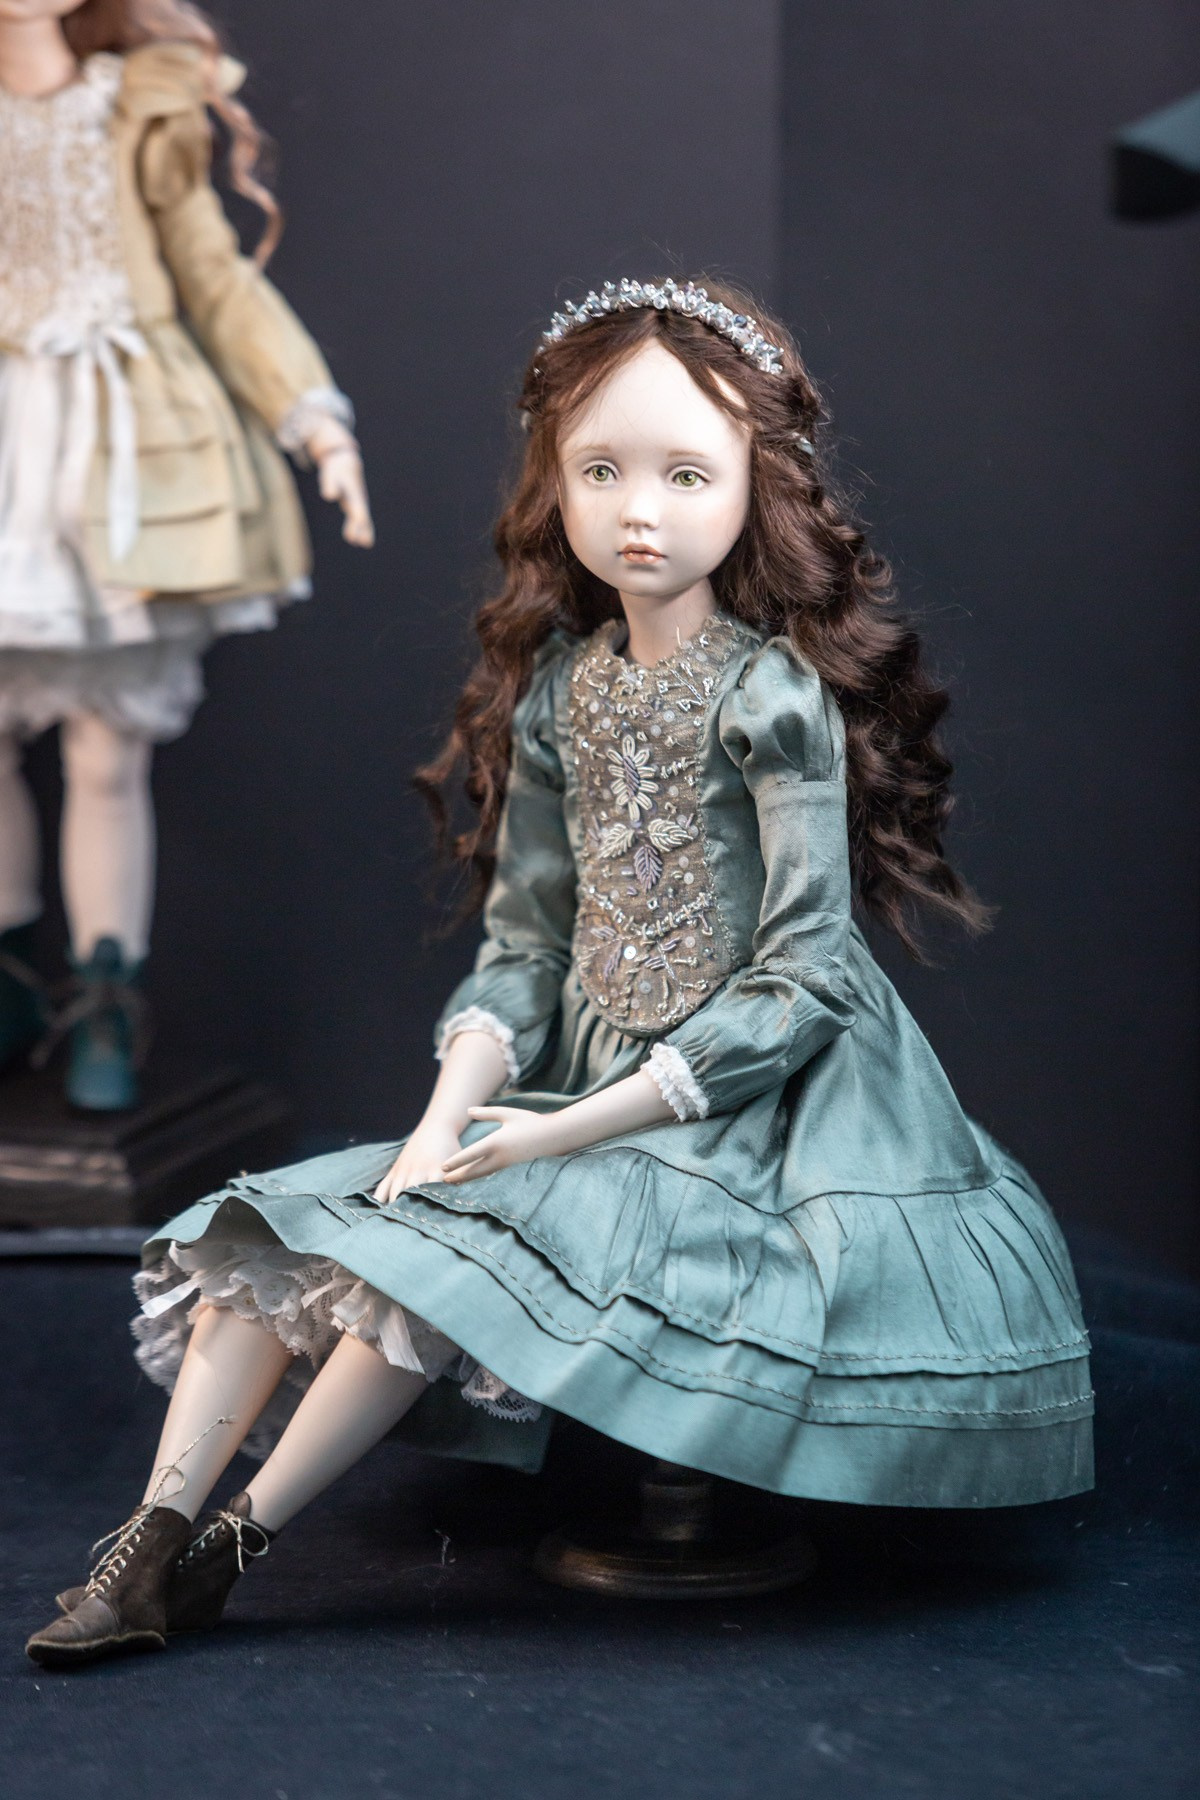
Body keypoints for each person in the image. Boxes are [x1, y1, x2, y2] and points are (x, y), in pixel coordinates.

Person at [26, 277, 1093, 1668]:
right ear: (555, 485)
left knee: (419, 1273)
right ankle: (150, 1543)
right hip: (573, 1075)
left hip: (758, 1110)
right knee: (279, 1250)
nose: (639, 511)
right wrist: (444, 1119)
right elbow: (527, 944)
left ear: (756, 489)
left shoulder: (771, 696)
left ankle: (240, 1544)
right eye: (601, 470)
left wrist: (560, 1131)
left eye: (685, 474)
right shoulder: (558, 693)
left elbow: (807, 975)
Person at [0, 0, 373, 1109]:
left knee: (106, 750)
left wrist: (314, 420)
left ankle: (106, 997)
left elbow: (214, 275)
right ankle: (10, 974)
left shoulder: (141, 99)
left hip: (125, 450)